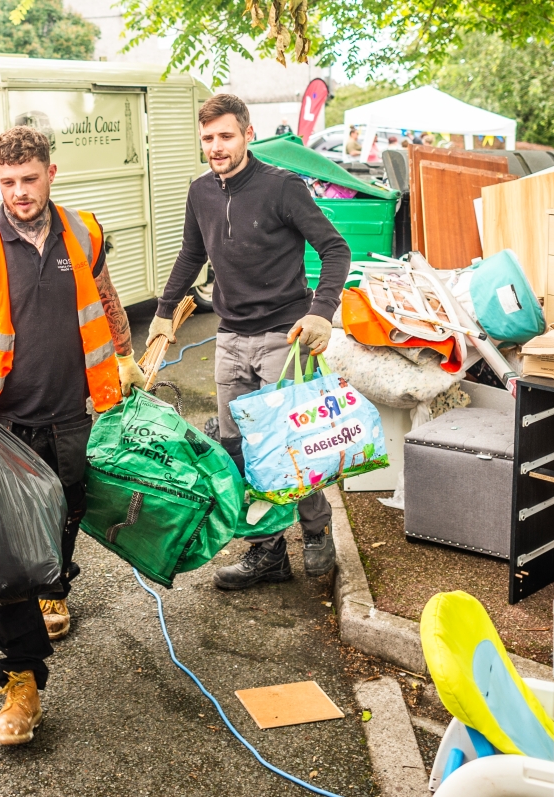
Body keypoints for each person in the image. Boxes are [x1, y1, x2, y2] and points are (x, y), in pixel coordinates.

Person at [0, 125, 144, 747]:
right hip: (1, 422)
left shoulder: (85, 233)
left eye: (29, 180)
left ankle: (55, 585)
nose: (18, 193)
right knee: (9, 550)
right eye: (7, 182)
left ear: (51, 174)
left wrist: (125, 355)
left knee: (64, 514)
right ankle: (22, 680)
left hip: (74, 412)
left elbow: (108, 300)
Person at [149, 94, 350, 591]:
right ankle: (267, 552)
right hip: (229, 336)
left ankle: (317, 530)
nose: (216, 147)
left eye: (225, 136)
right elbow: (190, 255)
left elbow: (335, 249)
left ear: (247, 133)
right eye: (208, 139)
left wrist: (321, 313)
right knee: (238, 450)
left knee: (292, 449)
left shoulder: (282, 188)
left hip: (286, 338)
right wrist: (161, 314)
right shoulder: (201, 192)